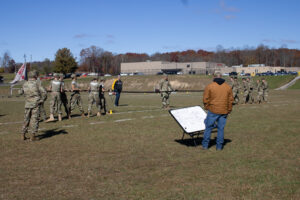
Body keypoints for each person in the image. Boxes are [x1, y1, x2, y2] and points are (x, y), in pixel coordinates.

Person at [202, 71, 233, 150]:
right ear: (221, 76)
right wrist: (229, 109)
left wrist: (207, 107)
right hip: (224, 111)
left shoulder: (210, 86)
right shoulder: (227, 87)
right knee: (220, 129)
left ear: (214, 77)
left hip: (213, 110)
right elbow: (231, 100)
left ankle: (205, 145)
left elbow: (205, 99)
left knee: (208, 127)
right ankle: (219, 146)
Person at [19, 70, 45, 141]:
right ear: (35, 76)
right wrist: (42, 100)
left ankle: (23, 135)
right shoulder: (37, 83)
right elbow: (44, 92)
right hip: (36, 104)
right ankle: (33, 136)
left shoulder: (25, 84)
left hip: (27, 104)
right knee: (34, 119)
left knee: (26, 119)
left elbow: (20, 92)